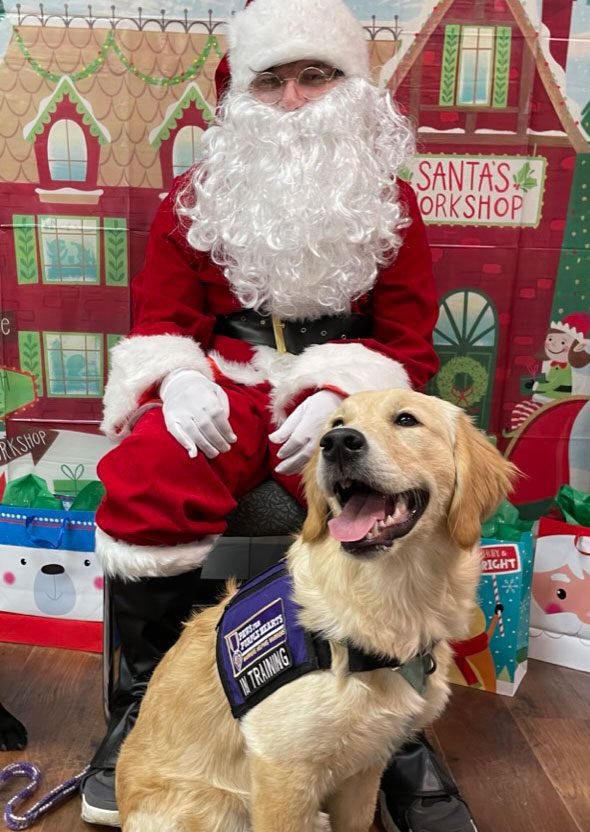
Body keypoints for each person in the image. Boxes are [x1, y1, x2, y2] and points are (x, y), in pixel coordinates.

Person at [81, 1, 478, 830]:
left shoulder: (390, 203)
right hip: (224, 378)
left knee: (400, 481)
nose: (293, 99)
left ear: (350, 87)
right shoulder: (195, 199)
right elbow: (162, 318)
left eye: (315, 76)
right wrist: (175, 379)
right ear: (240, 94)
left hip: (344, 390)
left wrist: (341, 392)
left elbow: (407, 339)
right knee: (150, 471)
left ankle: (397, 725)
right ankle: (144, 700)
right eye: (272, 81)